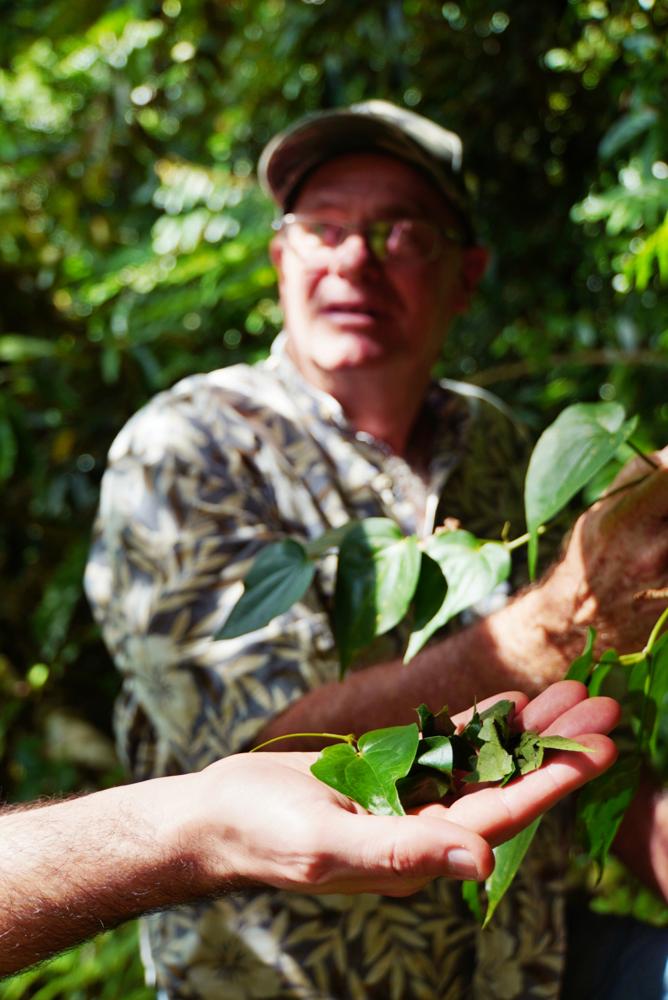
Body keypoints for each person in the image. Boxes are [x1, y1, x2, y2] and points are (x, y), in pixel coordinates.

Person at [85, 100, 668, 998]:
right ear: (282, 259)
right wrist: (561, 614)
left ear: (466, 275)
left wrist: (651, 830)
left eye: (400, 233)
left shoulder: (506, 448)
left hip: (526, 963)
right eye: (324, 229)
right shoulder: (188, 447)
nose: (354, 259)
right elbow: (258, 747)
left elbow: (576, 718)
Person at [0, 683, 618, 979]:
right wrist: (200, 823)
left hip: (537, 960)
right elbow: (222, 731)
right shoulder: (181, 453)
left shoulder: (490, 436)